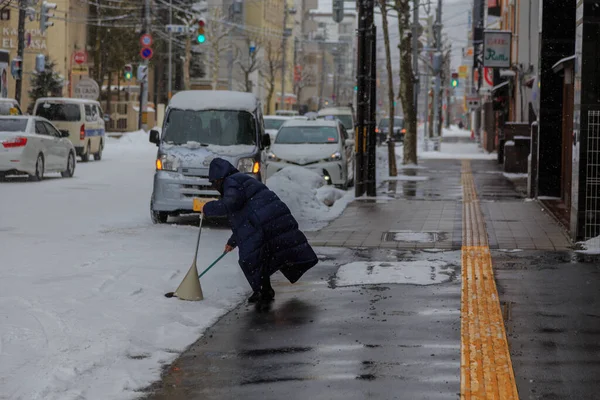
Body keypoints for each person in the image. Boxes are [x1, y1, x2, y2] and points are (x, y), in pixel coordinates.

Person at [196, 158, 319, 307]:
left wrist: (207, 208)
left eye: (214, 183)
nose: (215, 186)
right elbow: (244, 221)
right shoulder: (240, 180)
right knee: (261, 256)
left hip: (264, 221)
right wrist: (232, 242)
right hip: (268, 219)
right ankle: (263, 290)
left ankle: (263, 291)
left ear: (219, 179)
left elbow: (231, 203)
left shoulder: (231, 182)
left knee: (250, 258)